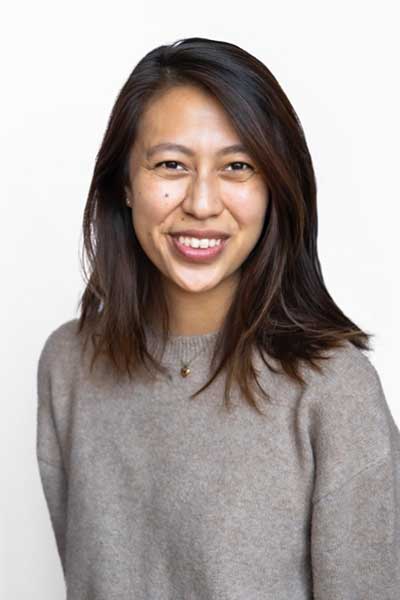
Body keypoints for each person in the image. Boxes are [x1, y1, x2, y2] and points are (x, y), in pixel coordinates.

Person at [36, 36, 400, 599]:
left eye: (237, 166)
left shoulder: (332, 390)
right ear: (125, 184)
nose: (202, 204)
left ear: (275, 187)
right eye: (171, 165)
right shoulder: (69, 365)